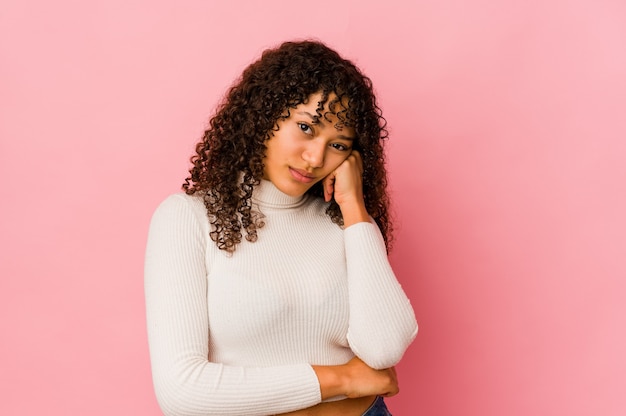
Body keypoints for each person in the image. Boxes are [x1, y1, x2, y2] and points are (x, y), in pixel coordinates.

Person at [144, 40, 418, 416]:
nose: (316, 157)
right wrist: (344, 380)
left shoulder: (346, 223)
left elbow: (384, 347)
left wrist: (355, 209)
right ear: (263, 115)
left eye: (338, 144)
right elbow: (182, 391)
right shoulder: (188, 218)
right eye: (305, 127)